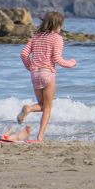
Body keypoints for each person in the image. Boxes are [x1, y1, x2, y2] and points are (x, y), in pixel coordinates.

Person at [18, 10, 77, 141]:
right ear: (56, 25)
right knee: (48, 107)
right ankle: (40, 136)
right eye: (60, 25)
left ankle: (28, 109)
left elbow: (23, 54)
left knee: (41, 104)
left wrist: (30, 67)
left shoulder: (36, 36)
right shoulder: (57, 38)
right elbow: (58, 59)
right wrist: (72, 63)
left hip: (35, 73)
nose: (60, 28)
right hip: (47, 73)